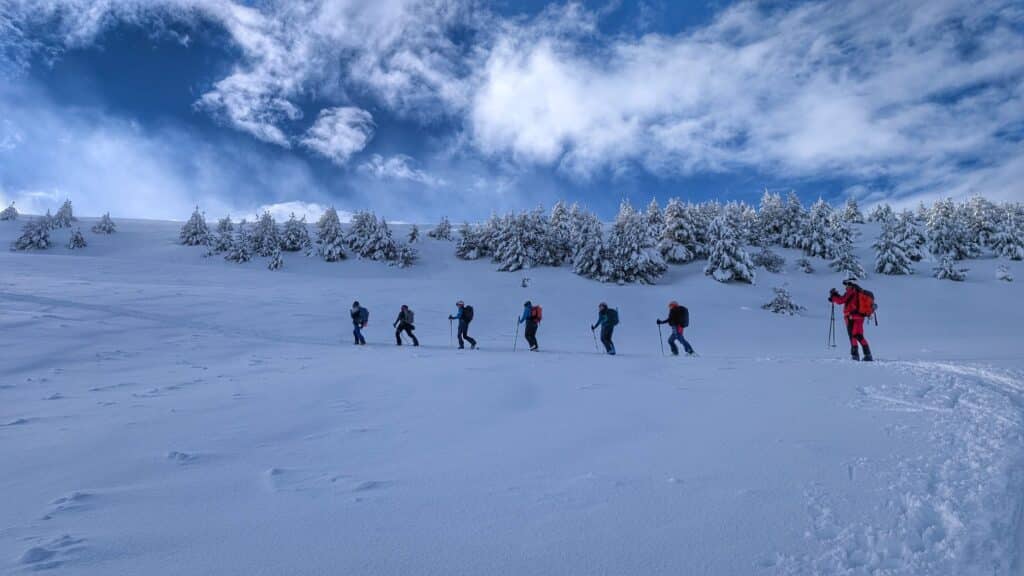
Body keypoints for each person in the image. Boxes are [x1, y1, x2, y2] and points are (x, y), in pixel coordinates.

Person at [829, 278, 873, 361]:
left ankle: (855, 356)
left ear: (850, 284)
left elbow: (841, 300)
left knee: (852, 336)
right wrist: (836, 297)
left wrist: (834, 296)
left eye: (846, 284)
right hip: (860, 317)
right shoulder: (858, 291)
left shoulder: (851, 291)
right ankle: (868, 355)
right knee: (859, 335)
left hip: (851, 317)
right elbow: (845, 299)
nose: (845, 286)